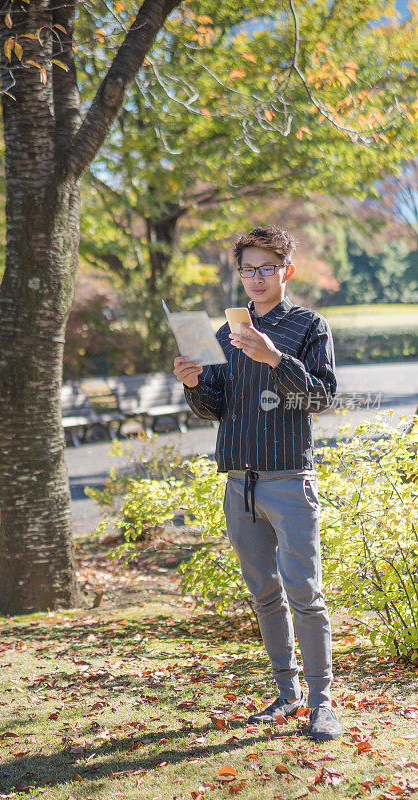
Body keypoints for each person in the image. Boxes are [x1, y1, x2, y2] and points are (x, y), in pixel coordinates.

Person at [173, 225, 342, 742]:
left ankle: (322, 702)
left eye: (266, 268)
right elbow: (214, 409)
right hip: (238, 481)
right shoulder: (223, 335)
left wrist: (274, 358)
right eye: (246, 268)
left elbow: (321, 398)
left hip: (289, 477)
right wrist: (195, 385)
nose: (255, 277)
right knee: (265, 593)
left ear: (286, 271)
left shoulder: (308, 327)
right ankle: (286, 695)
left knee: (304, 594)